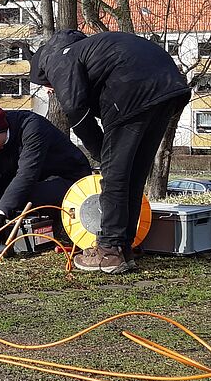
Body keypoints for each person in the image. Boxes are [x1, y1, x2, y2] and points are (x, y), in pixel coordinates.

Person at [30, 30, 191, 274]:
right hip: (169, 88)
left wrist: (100, 152)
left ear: (43, 72)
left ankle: (109, 250)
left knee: (115, 175)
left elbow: (75, 108)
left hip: (132, 90)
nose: (49, 91)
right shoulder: (91, 49)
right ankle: (124, 247)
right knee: (134, 173)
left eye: (47, 86)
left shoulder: (56, 57)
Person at [0, 103, 91, 243]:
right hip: (35, 176)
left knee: (25, 195)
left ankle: (15, 228)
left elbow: (26, 175)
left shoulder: (33, 128)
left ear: (5, 130)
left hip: (69, 179)